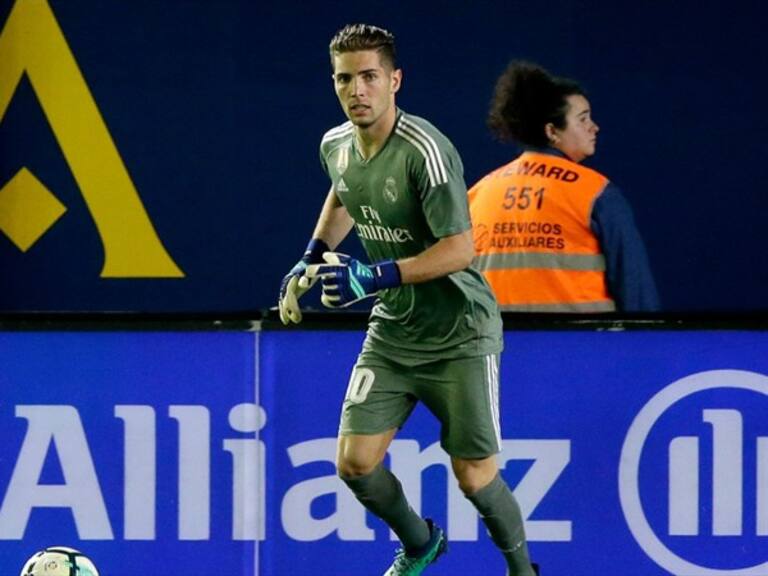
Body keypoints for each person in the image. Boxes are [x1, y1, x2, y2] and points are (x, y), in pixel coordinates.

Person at [277, 24, 538, 576]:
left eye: (370, 77)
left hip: (460, 331)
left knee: (474, 477)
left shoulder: (426, 150)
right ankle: (421, 545)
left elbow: (461, 250)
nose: (358, 91)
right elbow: (347, 191)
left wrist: (373, 276)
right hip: (394, 331)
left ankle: (522, 570)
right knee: (355, 463)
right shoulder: (335, 145)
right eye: (345, 79)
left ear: (395, 80)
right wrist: (314, 252)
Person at [468, 61, 659, 313]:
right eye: (583, 119)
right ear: (552, 132)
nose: (594, 127)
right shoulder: (596, 192)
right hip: (581, 346)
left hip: (496, 346)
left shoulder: (479, 194)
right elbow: (635, 291)